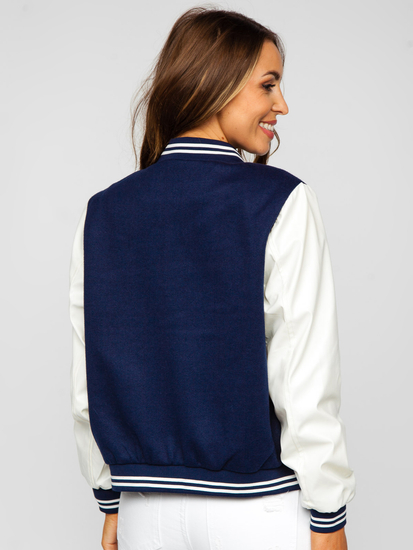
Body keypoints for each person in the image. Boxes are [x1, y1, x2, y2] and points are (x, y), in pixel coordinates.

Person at [69, 7, 356, 550]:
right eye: (268, 84)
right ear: (215, 83)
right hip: (258, 509)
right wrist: (329, 514)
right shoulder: (282, 200)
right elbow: (306, 378)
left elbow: (90, 379)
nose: (283, 104)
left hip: (144, 512)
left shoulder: (103, 212)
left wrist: (110, 498)